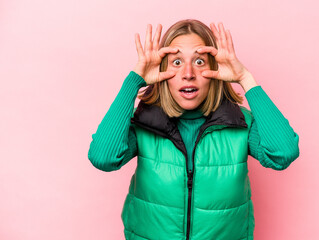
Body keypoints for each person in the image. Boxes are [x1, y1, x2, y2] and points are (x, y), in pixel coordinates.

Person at [88, 19, 300, 240]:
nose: (188, 73)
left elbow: (283, 154)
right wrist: (134, 82)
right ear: (162, 71)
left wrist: (246, 79)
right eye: (176, 62)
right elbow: (103, 158)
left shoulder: (240, 122)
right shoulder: (143, 121)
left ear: (215, 70)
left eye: (199, 61)